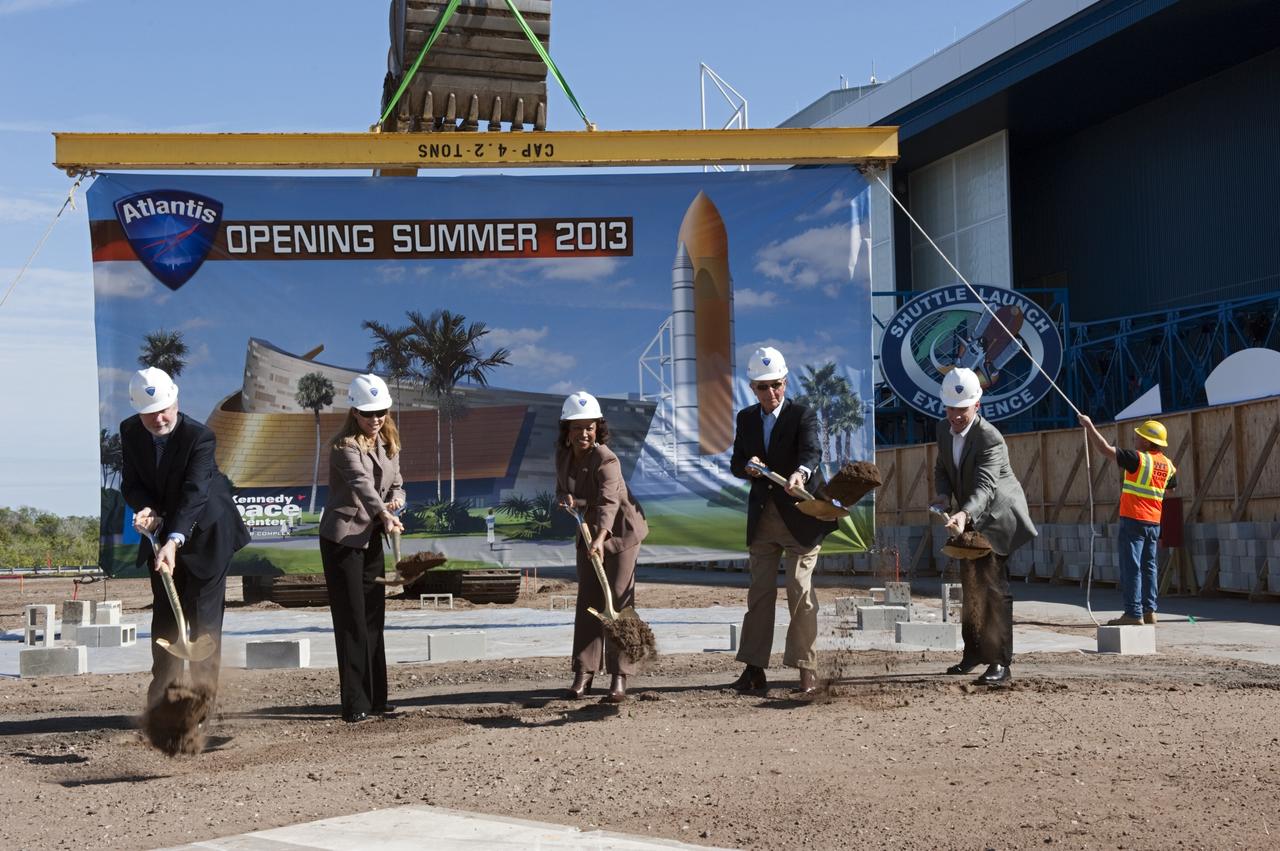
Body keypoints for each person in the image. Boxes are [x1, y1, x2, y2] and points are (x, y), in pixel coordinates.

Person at [120, 367, 251, 708]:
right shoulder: (130, 432)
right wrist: (147, 509)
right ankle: (163, 704)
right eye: (150, 414)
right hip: (162, 533)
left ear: (176, 400)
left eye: (165, 409)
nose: (159, 418)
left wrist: (173, 540)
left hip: (208, 533)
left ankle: (201, 707)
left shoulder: (199, 437)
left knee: (203, 621)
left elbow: (195, 494)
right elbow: (132, 483)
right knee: (165, 619)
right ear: (138, 412)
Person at [728, 347, 836, 695]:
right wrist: (746, 466)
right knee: (759, 594)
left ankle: (807, 670)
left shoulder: (802, 415)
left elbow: (812, 452)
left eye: (776, 385)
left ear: (785, 382)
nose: (770, 393)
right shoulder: (746, 419)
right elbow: (736, 461)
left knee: (799, 593)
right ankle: (754, 669)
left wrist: (800, 474)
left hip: (802, 518)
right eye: (762, 387)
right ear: (752, 388)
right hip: (763, 521)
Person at [932, 367, 1037, 686]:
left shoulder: (990, 438)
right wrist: (942, 496)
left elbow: (985, 487)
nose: (955, 416)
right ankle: (974, 653)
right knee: (971, 586)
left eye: (962, 410)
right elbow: (942, 467)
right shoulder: (943, 429)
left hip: (998, 518)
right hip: (971, 517)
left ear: (977, 405)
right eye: (950, 409)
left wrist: (963, 514)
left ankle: (1000, 664)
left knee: (992, 588)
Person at [318, 374, 405, 723]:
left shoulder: (389, 442)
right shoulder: (344, 447)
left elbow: (396, 482)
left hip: (371, 538)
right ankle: (355, 703)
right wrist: (384, 513)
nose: (376, 419)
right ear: (354, 412)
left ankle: (378, 698)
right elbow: (362, 487)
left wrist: (396, 501)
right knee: (352, 618)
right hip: (343, 540)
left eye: (381, 411)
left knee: (373, 616)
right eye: (369, 413)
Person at [555, 391, 649, 703]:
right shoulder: (563, 456)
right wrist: (567, 501)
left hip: (620, 533)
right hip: (588, 531)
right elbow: (564, 489)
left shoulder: (607, 459)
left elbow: (609, 501)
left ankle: (620, 677)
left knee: (618, 602)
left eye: (590, 427)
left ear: (598, 429)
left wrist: (600, 537)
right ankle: (584, 673)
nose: (584, 433)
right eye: (577, 427)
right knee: (589, 601)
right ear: (567, 431)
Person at [1078, 415, 1177, 625]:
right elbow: (1171, 489)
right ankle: (1150, 611)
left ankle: (1133, 613)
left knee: (1131, 567)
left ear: (1148, 442)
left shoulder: (1138, 459)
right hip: (1154, 522)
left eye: (1139, 437)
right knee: (1149, 566)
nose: (1135, 439)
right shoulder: (1168, 465)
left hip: (1133, 519)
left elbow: (1105, 449)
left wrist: (1089, 426)